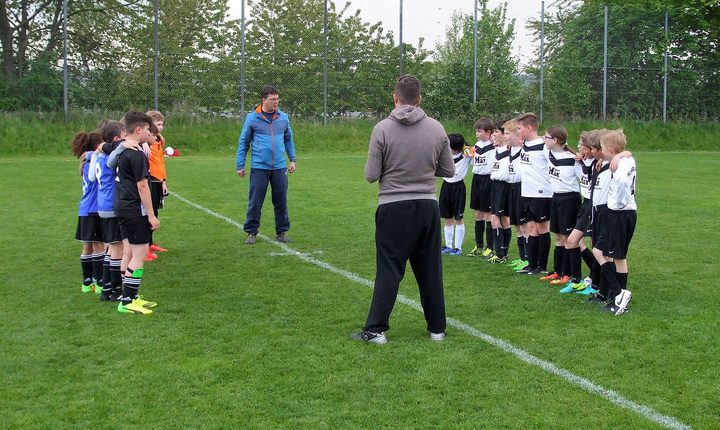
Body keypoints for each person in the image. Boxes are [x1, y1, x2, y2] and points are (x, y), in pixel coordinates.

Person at [351, 75, 454, 344]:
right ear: (419, 99)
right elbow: (448, 170)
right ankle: (437, 329)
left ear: (395, 98)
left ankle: (376, 330)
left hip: (394, 206)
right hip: (427, 206)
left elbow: (371, 175)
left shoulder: (382, 128)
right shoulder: (436, 128)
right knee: (430, 269)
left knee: (389, 269)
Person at [237, 86, 296, 245]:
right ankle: (251, 232)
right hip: (259, 168)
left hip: (279, 167)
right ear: (264, 100)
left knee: (281, 202)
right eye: (273, 99)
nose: (276, 102)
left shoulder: (283, 117)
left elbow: (288, 139)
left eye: (277, 99)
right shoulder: (252, 118)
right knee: (255, 202)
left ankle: (282, 232)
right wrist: (240, 165)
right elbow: (244, 142)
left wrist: (292, 159)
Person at [114, 110, 160, 315]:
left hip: (123, 206)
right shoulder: (137, 153)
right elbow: (142, 186)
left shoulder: (123, 150)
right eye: (148, 129)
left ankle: (131, 296)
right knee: (139, 254)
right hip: (134, 209)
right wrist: (151, 215)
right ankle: (127, 301)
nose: (149, 133)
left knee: (132, 252)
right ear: (139, 129)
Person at [594, 130, 636, 315]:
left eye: (602, 148)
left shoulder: (619, 167)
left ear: (609, 149)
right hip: (621, 214)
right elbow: (628, 153)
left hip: (620, 214)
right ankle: (619, 294)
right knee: (599, 250)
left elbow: (622, 182)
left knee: (617, 257)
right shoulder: (627, 160)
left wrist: (620, 202)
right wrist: (616, 156)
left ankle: (620, 295)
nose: (601, 151)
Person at [539, 125, 584, 292]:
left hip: (569, 199)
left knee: (567, 237)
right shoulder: (548, 152)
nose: (544, 139)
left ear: (555, 140)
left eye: (547, 137)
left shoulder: (572, 159)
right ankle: (557, 271)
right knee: (558, 236)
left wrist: (582, 158)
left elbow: (583, 177)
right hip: (556, 198)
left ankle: (568, 273)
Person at [89, 120, 127, 301]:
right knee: (117, 248)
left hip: (102, 204)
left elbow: (92, 177)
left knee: (110, 247)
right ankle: (115, 291)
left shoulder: (98, 156)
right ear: (116, 139)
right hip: (111, 205)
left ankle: (106, 289)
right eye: (124, 136)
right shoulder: (109, 158)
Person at [515, 112, 552, 276]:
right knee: (531, 228)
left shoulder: (544, 146)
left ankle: (542, 266)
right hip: (527, 192)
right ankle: (532, 264)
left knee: (542, 228)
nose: (518, 131)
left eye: (519, 128)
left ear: (528, 128)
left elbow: (555, 163)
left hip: (541, 194)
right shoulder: (525, 145)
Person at [71, 130, 105, 294]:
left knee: (88, 245)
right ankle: (99, 282)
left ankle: (87, 282)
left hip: (85, 209)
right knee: (99, 245)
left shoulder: (86, 161)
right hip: (93, 209)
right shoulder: (93, 161)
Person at [466, 118, 495, 258]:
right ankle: (478, 245)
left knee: (488, 214)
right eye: (476, 131)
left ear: (488, 132)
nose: (477, 134)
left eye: (479, 131)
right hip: (476, 179)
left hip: (487, 180)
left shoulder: (494, 145)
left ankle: (490, 247)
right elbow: (473, 161)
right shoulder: (476, 146)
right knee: (477, 214)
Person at [439, 133, 472, 256]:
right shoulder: (444, 155)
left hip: (458, 188)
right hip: (446, 186)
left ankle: (458, 247)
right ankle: (448, 245)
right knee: (447, 217)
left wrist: (469, 149)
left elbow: (476, 158)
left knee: (458, 217)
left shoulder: (466, 155)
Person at [487, 120, 513, 264]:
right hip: (494, 185)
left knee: (502, 219)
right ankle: (501, 253)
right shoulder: (497, 148)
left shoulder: (511, 150)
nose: (494, 134)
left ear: (504, 134)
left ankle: (502, 254)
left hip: (504, 186)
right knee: (496, 218)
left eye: (497, 132)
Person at [146, 110, 170, 258]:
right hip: (150, 179)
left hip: (158, 180)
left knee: (155, 211)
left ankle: (150, 243)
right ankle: (144, 247)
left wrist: (163, 181)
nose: (160, 127)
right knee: (148, 214)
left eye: (162, 124)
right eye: (157, 124)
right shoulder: (146, 142)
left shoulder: (158, 141)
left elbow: (160, 161)